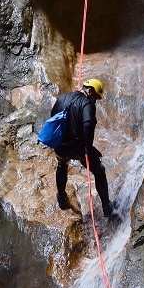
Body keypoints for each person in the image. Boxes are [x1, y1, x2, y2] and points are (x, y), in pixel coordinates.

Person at [50, 78, 116, 220]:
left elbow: (53, 116)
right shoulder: (87, 104)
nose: (95, 101)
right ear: (90, 90)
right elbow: (87, 125)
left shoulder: (63, 97)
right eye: (96, 98)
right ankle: (107, 207)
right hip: (76, 146)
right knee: (99, 171)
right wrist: (88, 148)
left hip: (59, 143)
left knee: (62, 164)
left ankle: (61, 198)